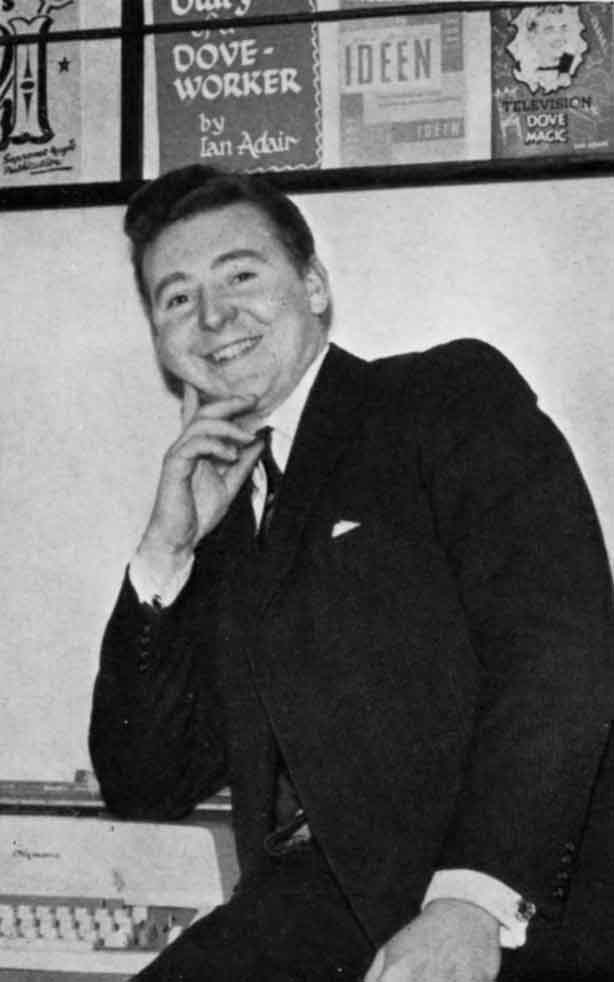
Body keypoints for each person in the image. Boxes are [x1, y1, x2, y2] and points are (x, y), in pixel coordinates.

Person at [89, 165, 614, 982]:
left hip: (498, 904)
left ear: (314, 286)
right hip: (310, 907)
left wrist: (471, 902)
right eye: (177, 298)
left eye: (240, 275)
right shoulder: (224, 510)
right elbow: (145, 783)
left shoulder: (441, 397)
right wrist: (169, 550)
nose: (213, 316)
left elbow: (560, 655)